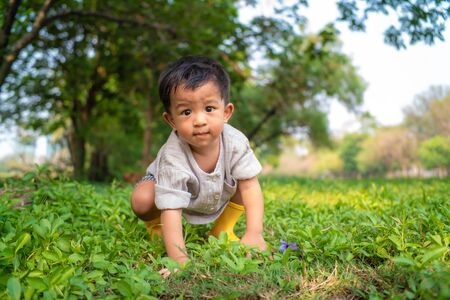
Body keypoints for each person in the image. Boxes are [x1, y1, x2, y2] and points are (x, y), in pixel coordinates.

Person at [130, 55, 266, 277]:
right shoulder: (173, 156)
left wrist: (254, 233)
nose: (200, 120)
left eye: (210, 108)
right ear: (171, 121)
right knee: (142, 199)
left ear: (226, 112)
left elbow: (251, 187)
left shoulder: (236, 142)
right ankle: (156, 227)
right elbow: (171, 209)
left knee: (245, 179)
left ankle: (222, 229)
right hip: (166, 191)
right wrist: (179, 259)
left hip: (218, 189)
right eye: (186, 112)